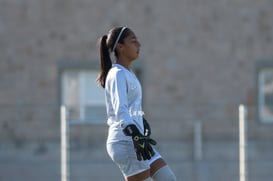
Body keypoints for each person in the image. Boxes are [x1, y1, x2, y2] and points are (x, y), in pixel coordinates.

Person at [97, 26, 176, 181]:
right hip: (126, 141)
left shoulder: (128, 73)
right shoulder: (117, 73)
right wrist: (134, 132)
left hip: (136, 139)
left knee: (168, 178)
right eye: (133, 41)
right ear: (120, 47)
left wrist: (140, 120)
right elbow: (120, 109)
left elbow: (131, 106)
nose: (138, 45)